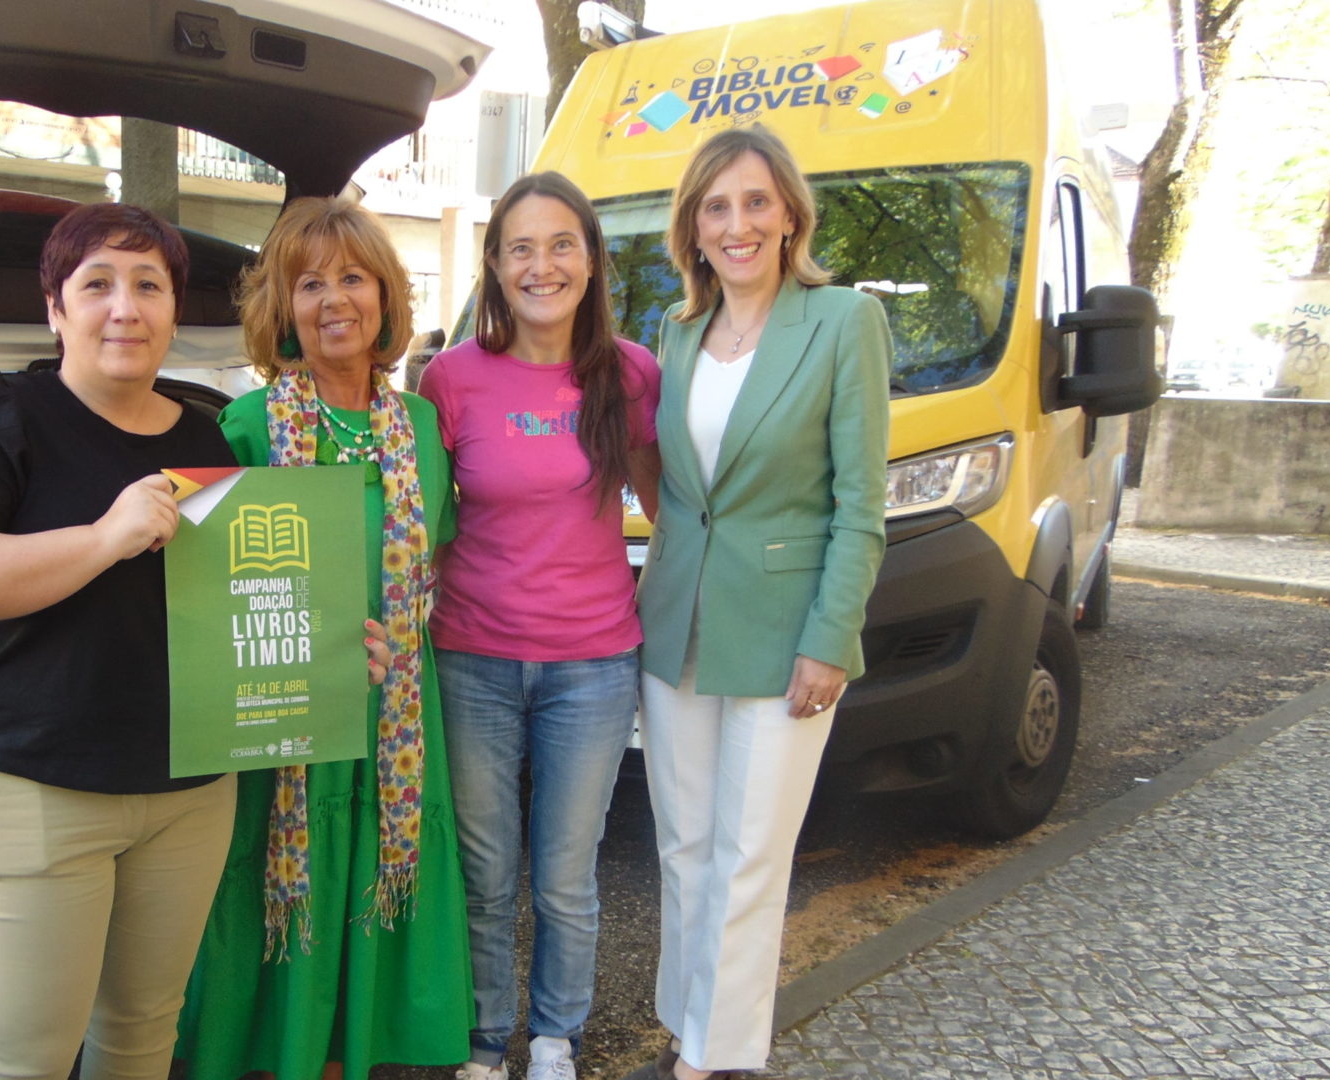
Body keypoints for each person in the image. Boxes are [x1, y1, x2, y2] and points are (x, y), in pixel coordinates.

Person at [0, 202, 386, 1080]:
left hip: (186, 795)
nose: (124, 307)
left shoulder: (202, 434)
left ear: (172, 309)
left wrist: (328, 650)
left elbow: (237, 603)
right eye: (97, 284)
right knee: (27, 1057)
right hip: (38, 784)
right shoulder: (3, 412)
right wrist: (104, 537)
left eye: (148, 285)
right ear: (55, 309)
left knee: (142, 1038)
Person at [177, 197, 474, 1080]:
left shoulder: (421, 429)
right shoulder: (246, 427)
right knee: (280, 881)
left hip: (394, 716)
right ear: (284, 307)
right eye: (310, 284)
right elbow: (205, 588)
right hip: (286, 719)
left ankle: (354, 1053)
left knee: (378, 872)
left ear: (385, 297)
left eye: (353, 278)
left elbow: (436, 557)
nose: (334, 299)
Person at [635, 126, 890, 1080]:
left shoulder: (843, 321)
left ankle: (713, 1052)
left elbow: (860, 505)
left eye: (754, 202)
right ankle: (685, 1017)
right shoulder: (677, 333)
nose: (736, 224)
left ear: (789, 214)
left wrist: (832, 637)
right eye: (716, 206)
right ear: (693, 228)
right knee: (682, 845)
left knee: (749, 855)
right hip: (677, 625)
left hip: (787, 635)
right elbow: (675, 490)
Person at [417, 171, 661, 1080]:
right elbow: (418, 521)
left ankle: (556, 1037)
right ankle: (486, 1041)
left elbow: (670, 507)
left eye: (562, 245)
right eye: (520, 247)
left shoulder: (630, 374)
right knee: (485, 875)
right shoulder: (449, 379)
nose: (541, 265)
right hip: (471, 660)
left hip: (592, 666)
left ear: (592, 261)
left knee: (565, 875)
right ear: (494, 264)